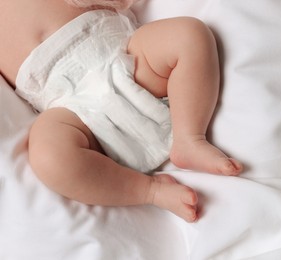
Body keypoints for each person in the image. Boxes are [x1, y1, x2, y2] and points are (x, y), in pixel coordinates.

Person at [0, 0, 243, 222]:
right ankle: (150, 190)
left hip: (125, 56)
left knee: (190, 34)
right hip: (69, 107)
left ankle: (189, 138)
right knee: (49, 156)